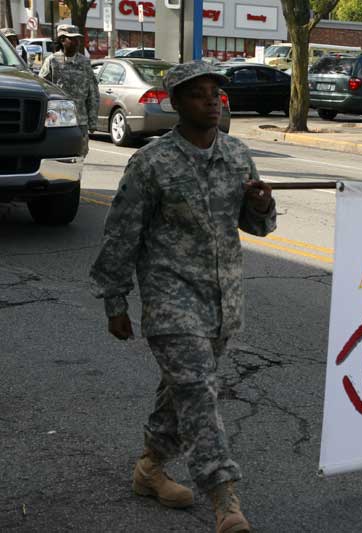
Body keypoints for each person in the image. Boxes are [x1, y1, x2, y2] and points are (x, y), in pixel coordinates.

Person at [89, 61, 276, 533]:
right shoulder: (152, 163)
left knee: (182, 391)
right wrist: (116, 301)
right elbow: (121, 236)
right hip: (170, 301)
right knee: (198, 390)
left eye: (216, 93)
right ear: (176, 103)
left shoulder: (237, 155)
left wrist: (261, 204)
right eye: (199, 94)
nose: (212, 101)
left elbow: (258, 227)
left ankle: (150, 468)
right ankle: (224, 498)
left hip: (221, 303)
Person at [39, 24, 98, 157]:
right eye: (72, 39)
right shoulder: (52, 61)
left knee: (80, 155)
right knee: (56, 155)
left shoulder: (85, 63)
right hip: (57, 121)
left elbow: (92, 92)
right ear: (62, 40)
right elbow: (42, 89)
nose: (77, 42)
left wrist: (93, 120)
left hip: (80, 121)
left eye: (78, 39)